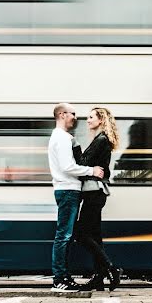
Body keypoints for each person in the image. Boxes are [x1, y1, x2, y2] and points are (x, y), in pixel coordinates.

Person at [48, 103, 104, 292]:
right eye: (72, 114)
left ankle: (63, 277)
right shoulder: (62, 138)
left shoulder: (62, 137)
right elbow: (67, 167)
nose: (75, 117)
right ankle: (59, 280)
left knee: (66, 235)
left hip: (67, 190)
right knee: (63, 236)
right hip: (67, 190)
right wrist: (93, 170)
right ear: (62, 115)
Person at [76, 107, 122, 291]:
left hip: (93, 193)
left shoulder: (100, 140)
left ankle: (111, 268)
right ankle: (99, 277)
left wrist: (75, 148)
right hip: (95, 193)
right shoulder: (101, 140)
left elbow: (83, 163)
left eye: (90, 117)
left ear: (101, 120)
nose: (87, 120)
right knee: (94, 235)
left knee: (81, 233)